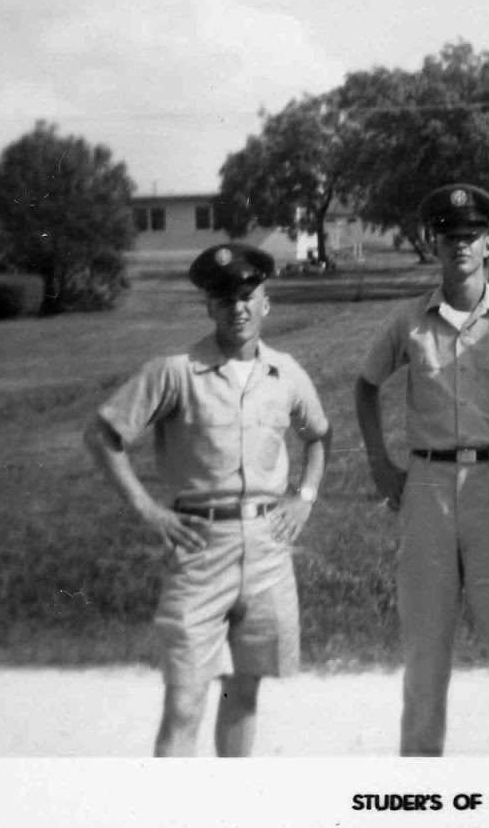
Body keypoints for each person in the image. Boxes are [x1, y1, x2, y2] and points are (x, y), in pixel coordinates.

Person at [83, 242, 330, 757]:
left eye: (248, 295)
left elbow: (318, 436)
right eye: (224, 298)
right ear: (209, 307)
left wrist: (304, 496)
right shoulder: (174, 372)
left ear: (266, 302)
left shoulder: (286, 374)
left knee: (244, 693)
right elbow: (103, 436)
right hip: (199, 550)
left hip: (267, 549)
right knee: (185, 702)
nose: (238, 308)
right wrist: (147, 510)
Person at [354, 183, 489, 756]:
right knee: (424, 661)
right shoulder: (409, 321)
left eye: (471, 236)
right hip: (426, 490)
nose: (460, 247)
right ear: (434, 242)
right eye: (449, 236)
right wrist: (380, 463)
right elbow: (366, 386)